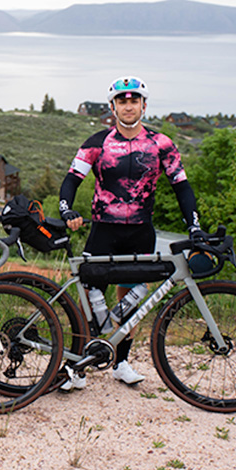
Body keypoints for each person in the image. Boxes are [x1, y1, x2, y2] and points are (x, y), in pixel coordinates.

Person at [58, 75, 203, 390]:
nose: (128, 105)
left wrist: (194, 224)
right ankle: (79, 369)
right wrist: (66, 209)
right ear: (113, 106)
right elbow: (71, 179)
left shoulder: (161, 144)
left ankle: (121, 362)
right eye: (122, 101)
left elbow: (182, 186)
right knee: (88, 299)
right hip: (103, 230)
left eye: (134, 100)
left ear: (144, 105)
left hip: (140, 231)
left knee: (131, 300)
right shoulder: (96, 142)